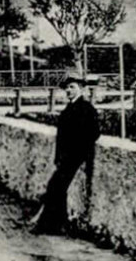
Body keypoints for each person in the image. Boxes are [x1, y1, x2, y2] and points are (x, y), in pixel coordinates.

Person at [31, 75, 101, 234]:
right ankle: (58, 224)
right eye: (67, 88)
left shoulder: (86, 108)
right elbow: (61, 137)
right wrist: (58, 157)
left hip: (76, 156)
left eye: (72, 87)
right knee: (57, 188)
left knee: (55, 187)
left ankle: (48, 225)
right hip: (65, 157)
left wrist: (79, 150)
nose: (68, 91)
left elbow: (94, 133)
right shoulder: (68, 109)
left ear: (81, 89)